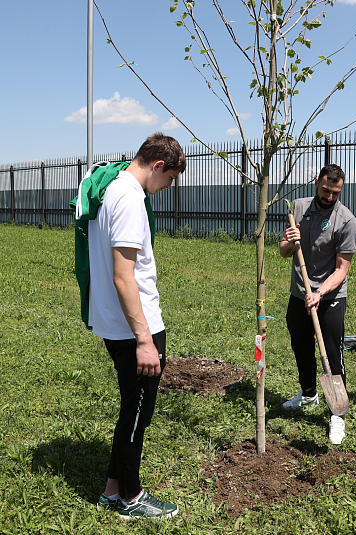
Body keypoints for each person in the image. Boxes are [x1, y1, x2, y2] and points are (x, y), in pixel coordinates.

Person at [81, 133, 186, 519]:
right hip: (134, 329)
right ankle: (130, 498)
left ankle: (112, 490)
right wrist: (144, 340)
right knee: (137, 415)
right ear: (158, 165)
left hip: (118, 324)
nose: (169, 187)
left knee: (131, 408)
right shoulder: (128, 199)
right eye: (170, 178)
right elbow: (123, 277)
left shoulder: (112, 189)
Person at [279, 164, 356, 445]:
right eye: (325, 190)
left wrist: (320, 293)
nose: (329, 196)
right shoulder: (298, 209)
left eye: (335, 192)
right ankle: (309, 393)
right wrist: (289, 241)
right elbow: (284, 252)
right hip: (300, 293)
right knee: (300, 345)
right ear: (316, 182)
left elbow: (341, 270)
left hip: (330, 296)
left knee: (332, 353)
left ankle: (338, 413)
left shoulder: (346, 221)